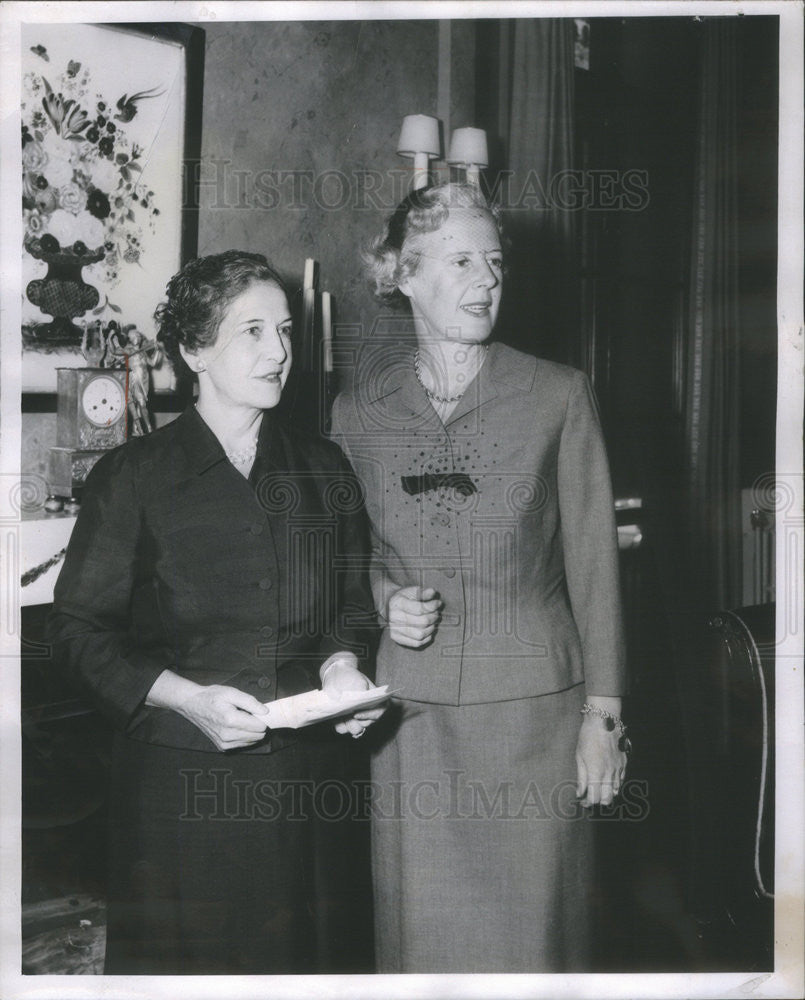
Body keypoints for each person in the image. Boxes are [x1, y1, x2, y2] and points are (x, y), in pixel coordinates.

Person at [49, 250, 385, 975]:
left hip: (308, 790)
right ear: (195, 350)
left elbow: (351, 607)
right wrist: (186, 697)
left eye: (285, 330)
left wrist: (343, 668)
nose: (279, 352)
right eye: (253, 332)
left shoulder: (323, 469)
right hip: (182, 794)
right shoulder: (134, 477)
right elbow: (77, 632)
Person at [330, 183, 629, 973]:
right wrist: (383, 601)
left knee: (534, 942)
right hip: (412, 720)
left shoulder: (557, 393)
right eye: (461, 260)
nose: (486, 279)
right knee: (419, 941)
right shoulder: (356, 412)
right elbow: (343, 557)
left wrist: (603, 718)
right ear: (402, 274)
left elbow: (594, 563)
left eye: (494, 261)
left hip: (535, 714)